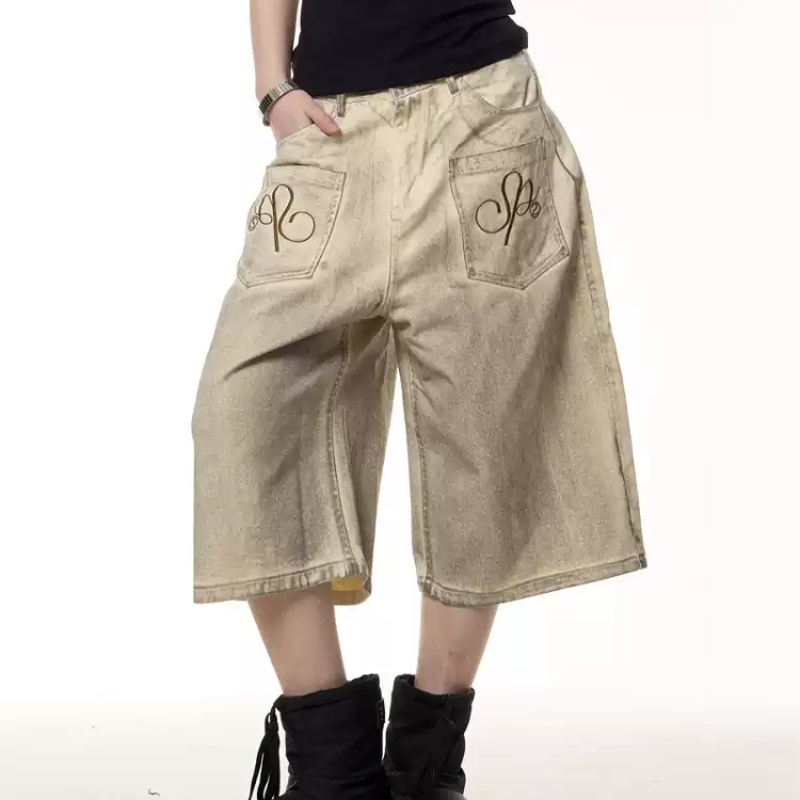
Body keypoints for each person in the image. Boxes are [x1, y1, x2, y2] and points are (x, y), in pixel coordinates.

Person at [190, 0, 648, 797]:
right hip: (331, 132)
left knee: (482, 445)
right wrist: (272, 85)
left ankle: (426, 767)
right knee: (243, 416)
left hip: (482, 124)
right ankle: (334, 777)